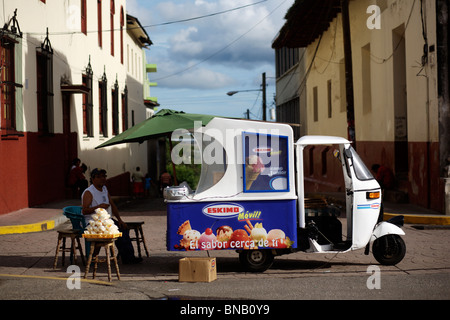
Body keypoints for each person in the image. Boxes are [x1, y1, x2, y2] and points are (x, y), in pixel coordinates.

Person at [81, 168, 142, 264]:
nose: (102, 179)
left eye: (104, 176)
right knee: (110, 233)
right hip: (93, 222)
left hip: (106, 220)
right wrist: (98, 207)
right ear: (93, 179)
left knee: (123, 228)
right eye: (99, 177)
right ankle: (93, 258)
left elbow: (112, 205)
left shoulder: (104, 189)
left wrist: (120, 220)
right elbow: (84, 211)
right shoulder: (89, 192)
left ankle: (128, 257)